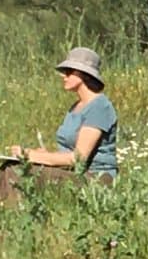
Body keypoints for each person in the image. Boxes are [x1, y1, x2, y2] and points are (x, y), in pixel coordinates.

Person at [14, 46, 119, 181]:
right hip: (72, 172)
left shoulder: (100, 107)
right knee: (12, 166)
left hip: (94, 177)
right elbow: (67, 152)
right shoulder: (76, 106)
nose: (64, 76)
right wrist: (45, 155)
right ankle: (3, 203)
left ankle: (6, 203)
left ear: (83, 74)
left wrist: (31, 156)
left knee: (16, 172)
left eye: (69, 72)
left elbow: (78, 158)